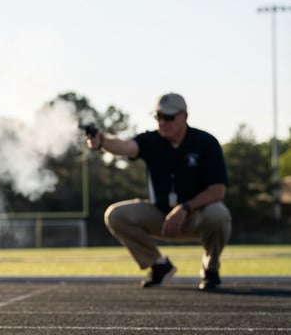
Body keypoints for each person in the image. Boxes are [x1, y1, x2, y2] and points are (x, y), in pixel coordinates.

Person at [87, 93, 231, 291]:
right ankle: (159, 265)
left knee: (219, 214)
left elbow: (218, 190)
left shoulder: (206, 142)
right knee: (116, 214)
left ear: (184, 116)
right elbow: (124, 146)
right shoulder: (151, 140)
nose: (162, 122)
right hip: (160, 216)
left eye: (168, 117)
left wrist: (185, 208)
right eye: (158, 117)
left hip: (195, 216)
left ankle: (210, 268)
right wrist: (102, 140)